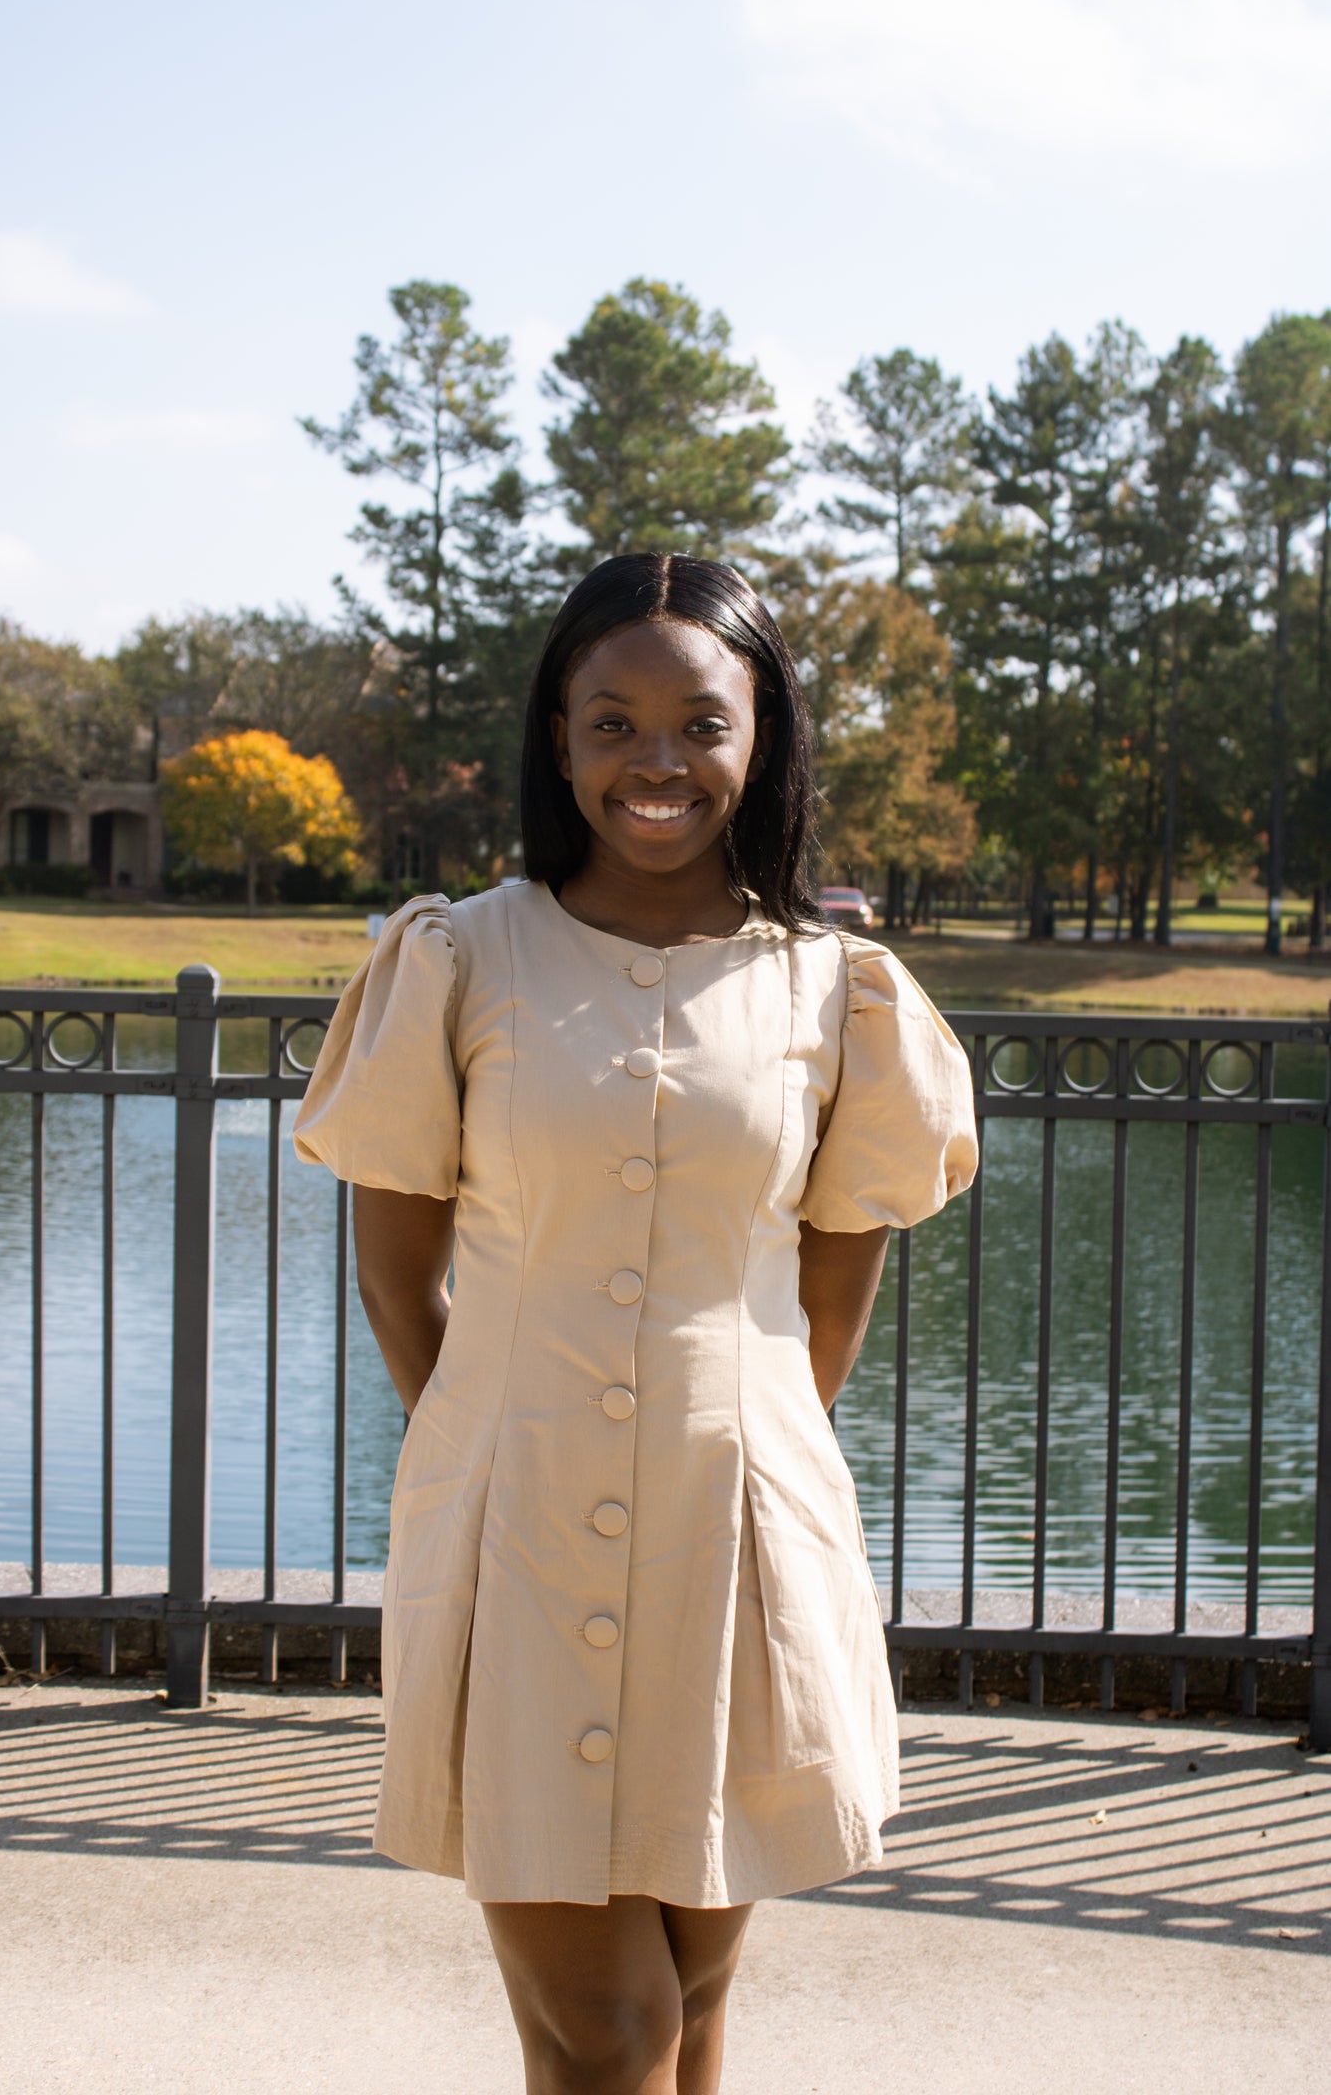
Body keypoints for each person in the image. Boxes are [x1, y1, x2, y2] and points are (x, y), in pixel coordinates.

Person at [293, 553, 978, 2095]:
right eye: (611, 722)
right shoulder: (460, 958)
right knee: (615, 2029)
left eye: (696, 722)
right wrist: (485, 1448)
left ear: (761, 738)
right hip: (509, 1524)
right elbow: (399, 1273)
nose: (654, 761)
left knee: (695, 1996)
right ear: (557, 739)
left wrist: (737, 1451)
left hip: (735, 1536)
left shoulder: (835, 988)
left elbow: (831, 1284)